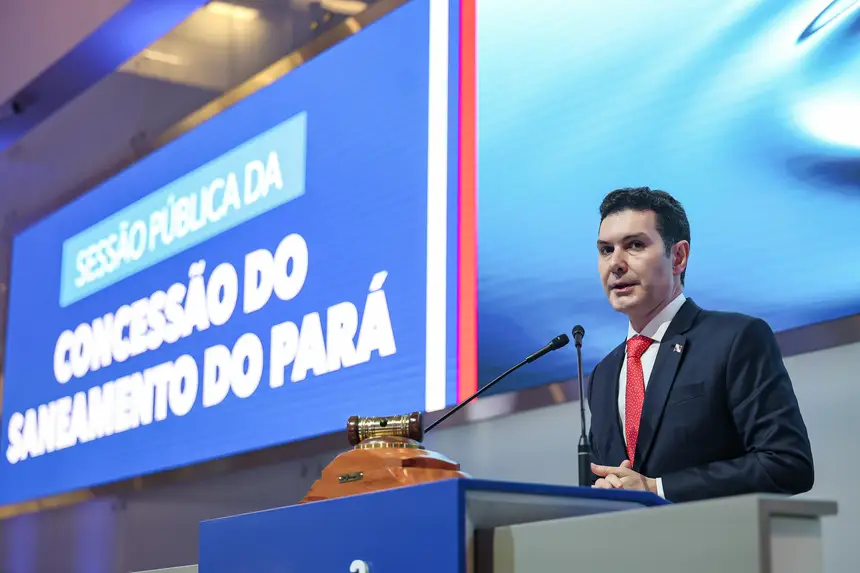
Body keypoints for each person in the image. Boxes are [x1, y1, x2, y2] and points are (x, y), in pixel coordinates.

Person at [587, 186, 814, 503]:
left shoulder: (735, 339)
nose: (616, 263)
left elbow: (787, 463)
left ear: (678, 257)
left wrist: (658, 489)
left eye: (635, 245)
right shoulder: (603, 375)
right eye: (606, 250)